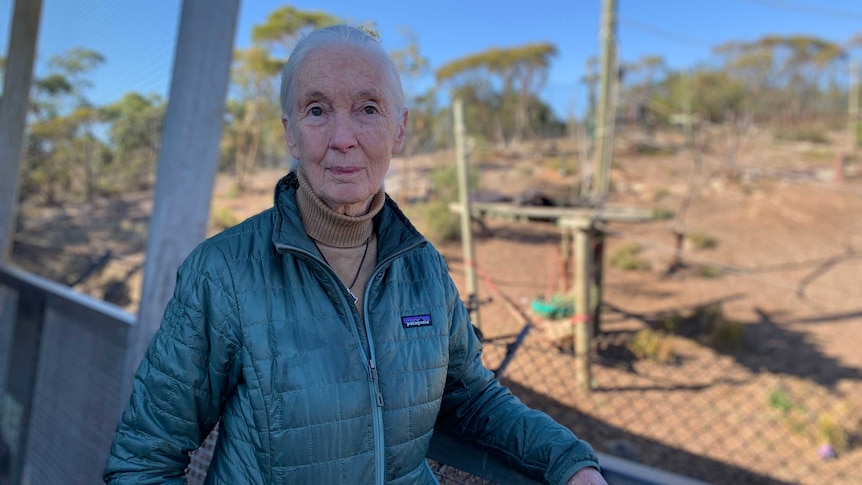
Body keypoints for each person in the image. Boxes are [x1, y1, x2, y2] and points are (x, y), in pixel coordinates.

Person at [104, 25, 607, 485]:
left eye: (368, 108)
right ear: (290, 132)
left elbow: (471, 398)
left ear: (400, 130)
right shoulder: (223, 273)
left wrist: (570, 463)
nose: (343, 140)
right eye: (317, 110)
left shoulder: (424, 267)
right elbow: (142, 460)